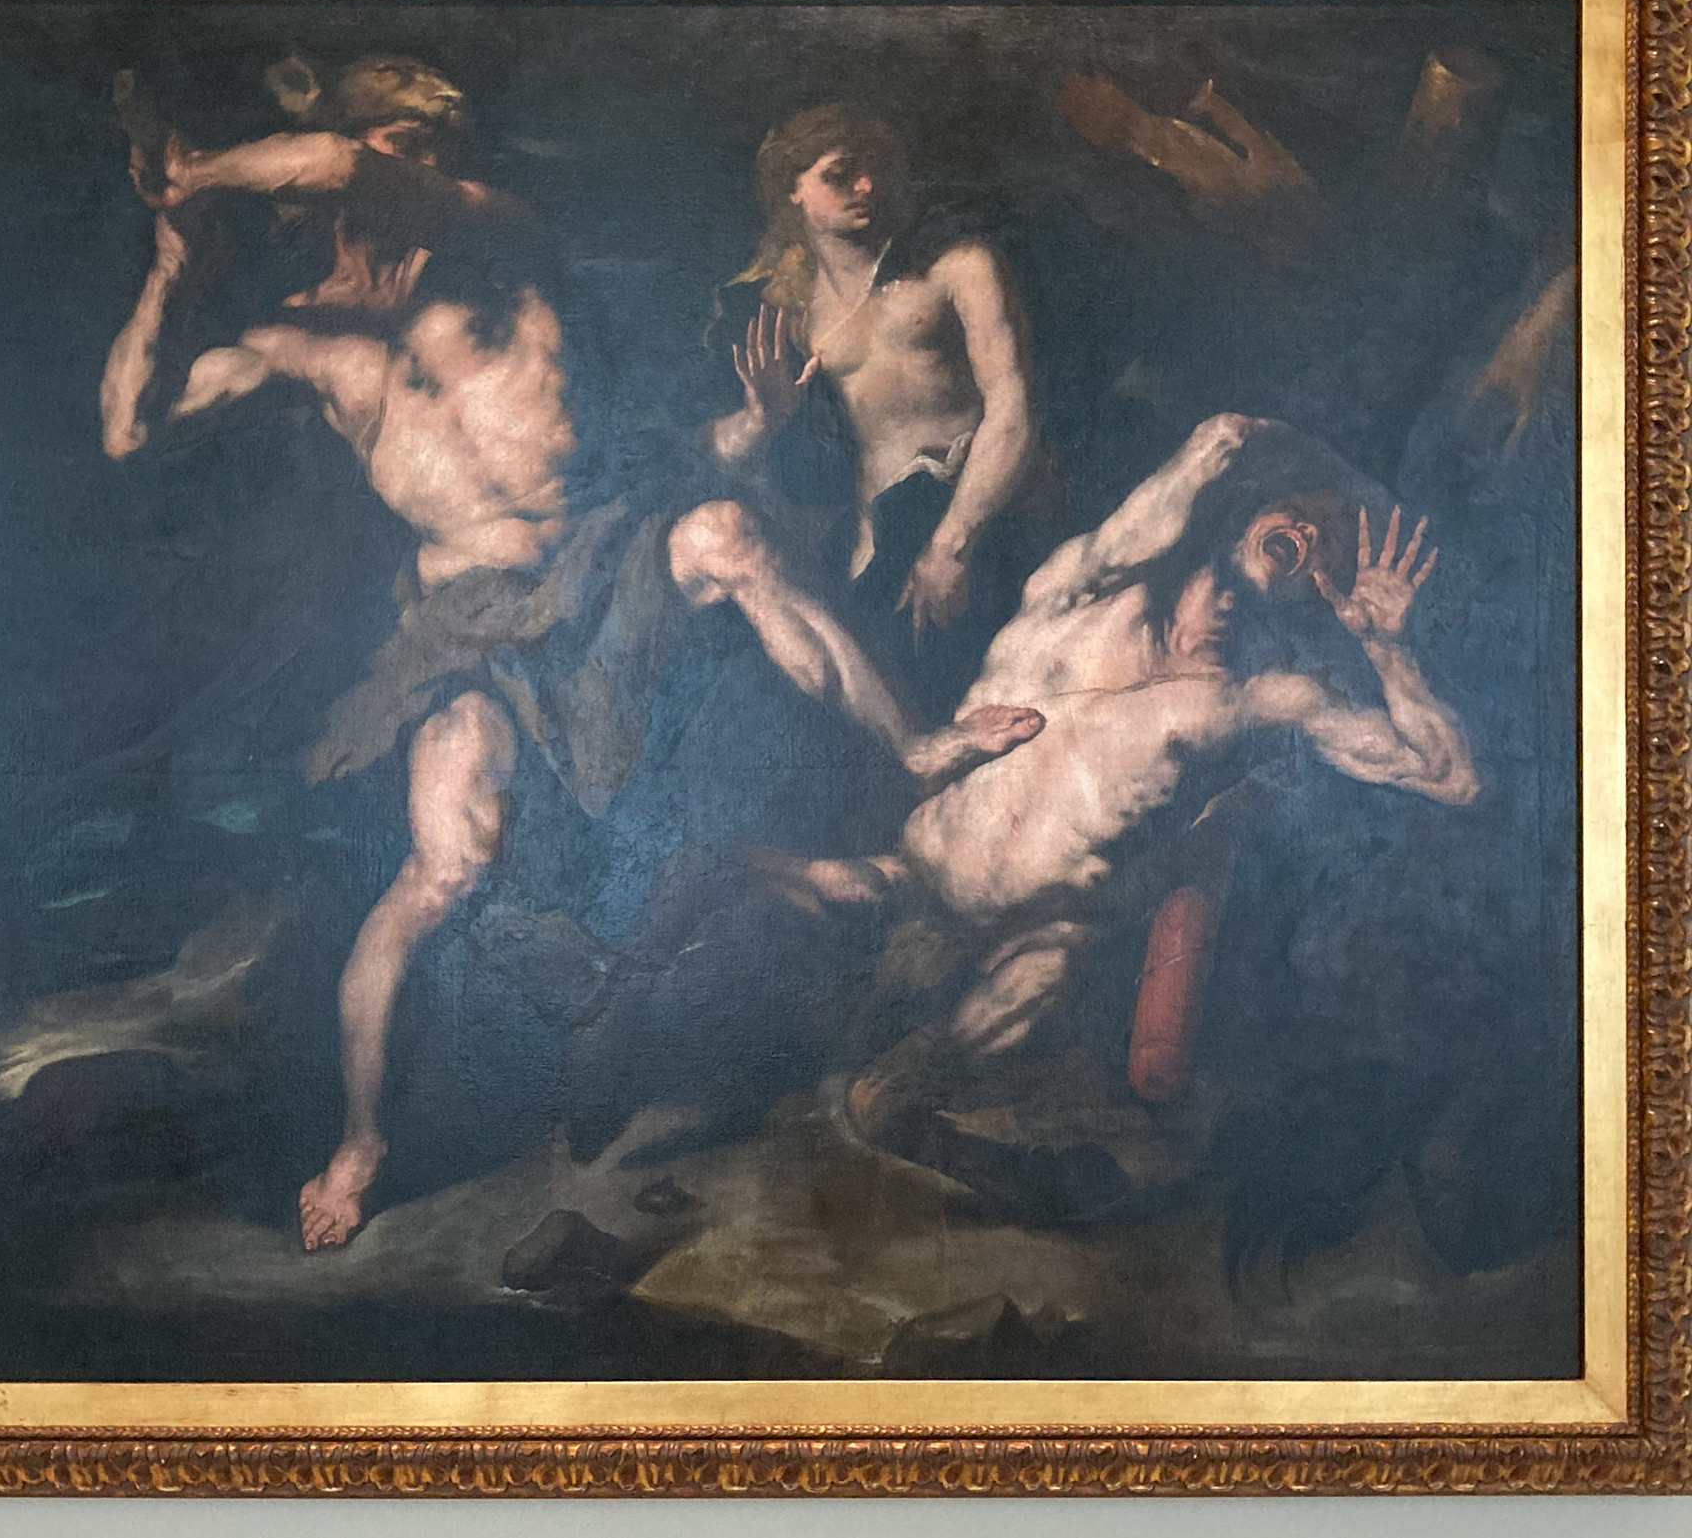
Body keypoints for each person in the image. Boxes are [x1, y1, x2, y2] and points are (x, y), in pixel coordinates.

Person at [99, 70, 1046, 1251]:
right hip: (471, 624)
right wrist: (175, 260)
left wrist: (192, 168)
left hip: (604, 555)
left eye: (433, 148)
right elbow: (129, 429)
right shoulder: (304, 336)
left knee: (728, 536)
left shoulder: (500, 244)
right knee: (442, 870)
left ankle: (910, 744)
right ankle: (362, 1139)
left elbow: (350, 170)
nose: (418, 171)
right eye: (398, 144)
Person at [748, 413, 1480, 1132]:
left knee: (1022, 997)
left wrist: (1389, 650)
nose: (1313, 532)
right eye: (1306, 510)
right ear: (1251, 500)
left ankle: (908, 1077)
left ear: (1326, 593)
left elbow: (1451, 777)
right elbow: (1225, 436)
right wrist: (1341, 480)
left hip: (1040, 927)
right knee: (801, 897)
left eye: (1336, 545)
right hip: (917, 869)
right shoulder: (1086, 584)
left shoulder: (1258, 699)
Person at [703, 105, 1063, 720]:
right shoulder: (786, 310)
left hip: (981, 523)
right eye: (840, 175)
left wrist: (952, 545)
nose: (866, 186)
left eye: (874, 170)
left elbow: (1013, 408)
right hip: (872, 543)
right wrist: (764, 418)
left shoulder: (960, 269)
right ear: (793, 190)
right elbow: (714, 452)